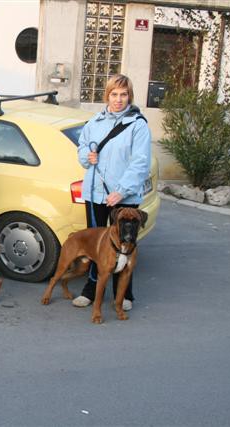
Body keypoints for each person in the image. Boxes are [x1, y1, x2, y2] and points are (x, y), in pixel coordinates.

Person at [73, 74, 151, 311]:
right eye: (114, 94)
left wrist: (120, 192)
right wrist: (87, 157)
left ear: (130, 96)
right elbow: (82, 148)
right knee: (99, 245)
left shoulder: (137, 125)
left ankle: (124, 293)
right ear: (107, 95)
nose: (118, 100)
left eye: (123, 94)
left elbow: (140, 163)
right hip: (95, 193)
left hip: (124, 198)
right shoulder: (94, 121)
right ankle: (91, 289)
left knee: (125, 244)